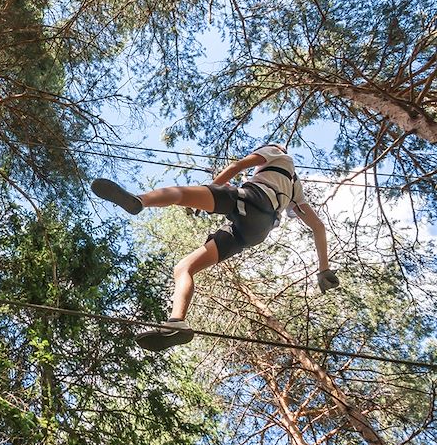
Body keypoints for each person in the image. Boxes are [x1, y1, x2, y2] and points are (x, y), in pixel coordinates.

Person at [91, 143, 339, 351]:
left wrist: (209, 192)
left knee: (178, 194)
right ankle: (176, 322)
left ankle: (139, 201)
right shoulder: (295, 187)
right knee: (185, 267)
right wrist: (323, 269)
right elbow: (317, 226)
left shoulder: (276, 152)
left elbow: (236, 166)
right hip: (256, 230)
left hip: (252, 200)